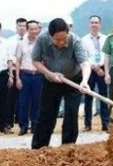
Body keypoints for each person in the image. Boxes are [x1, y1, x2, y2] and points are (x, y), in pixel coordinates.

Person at [31, 18, 91, 149]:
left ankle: (68, 148)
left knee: (71, 113)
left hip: (73, 80)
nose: (62, 42)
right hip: (51, 81)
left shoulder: (75, 41)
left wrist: (84, 81)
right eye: (57, 40)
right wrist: (50, 74)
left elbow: (85, 63)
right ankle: (39, 148)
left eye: (64, 38)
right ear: (50, 36)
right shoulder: (42, 39)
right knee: (46, 115)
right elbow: (35, 61)